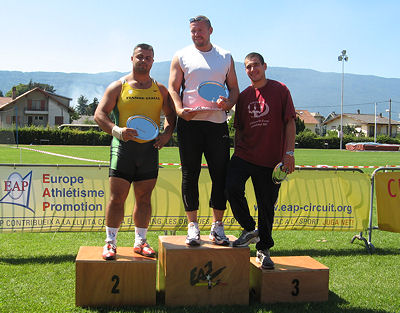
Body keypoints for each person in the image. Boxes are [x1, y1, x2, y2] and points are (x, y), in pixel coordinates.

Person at [94, 43, 176, 260]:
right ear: (132, 58)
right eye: (140, 57)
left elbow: (171, 116)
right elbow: (99, 114)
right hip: (123, 150)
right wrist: (116, 130)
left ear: (152, 61)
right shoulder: (118, 86)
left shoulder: (160, 90)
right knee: (117, 197)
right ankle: (110, 243)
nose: (144, 61)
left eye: (148, 58)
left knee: (144, 199)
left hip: (149, 151)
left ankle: (140, 241)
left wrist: (167, 135)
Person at [168, 15, 239, 246]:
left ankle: (218, 227)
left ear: (210, 30)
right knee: (190, 175)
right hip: (190, 124)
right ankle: (193, 227)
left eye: (200, 30)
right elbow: (173, 88)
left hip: (217, 124)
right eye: (192, 31)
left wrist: (228, 104)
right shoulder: (181, 55)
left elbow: (235, 89)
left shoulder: (226, 56)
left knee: (220, 175)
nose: (196, 34)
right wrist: (179, 110)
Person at [226, 52, 296, 269]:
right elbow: (238, 129)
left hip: (271, 159)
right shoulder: (244, 95)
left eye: (255, 65)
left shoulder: (280, 90)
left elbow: (290, 123)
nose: (252, 70)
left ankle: (263, 249)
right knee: (230, 187)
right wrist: (237, 153)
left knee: (267, 206)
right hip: (245, 155)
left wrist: (289, 154)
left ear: (265, 66)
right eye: (247, 67)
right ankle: (249, 229)